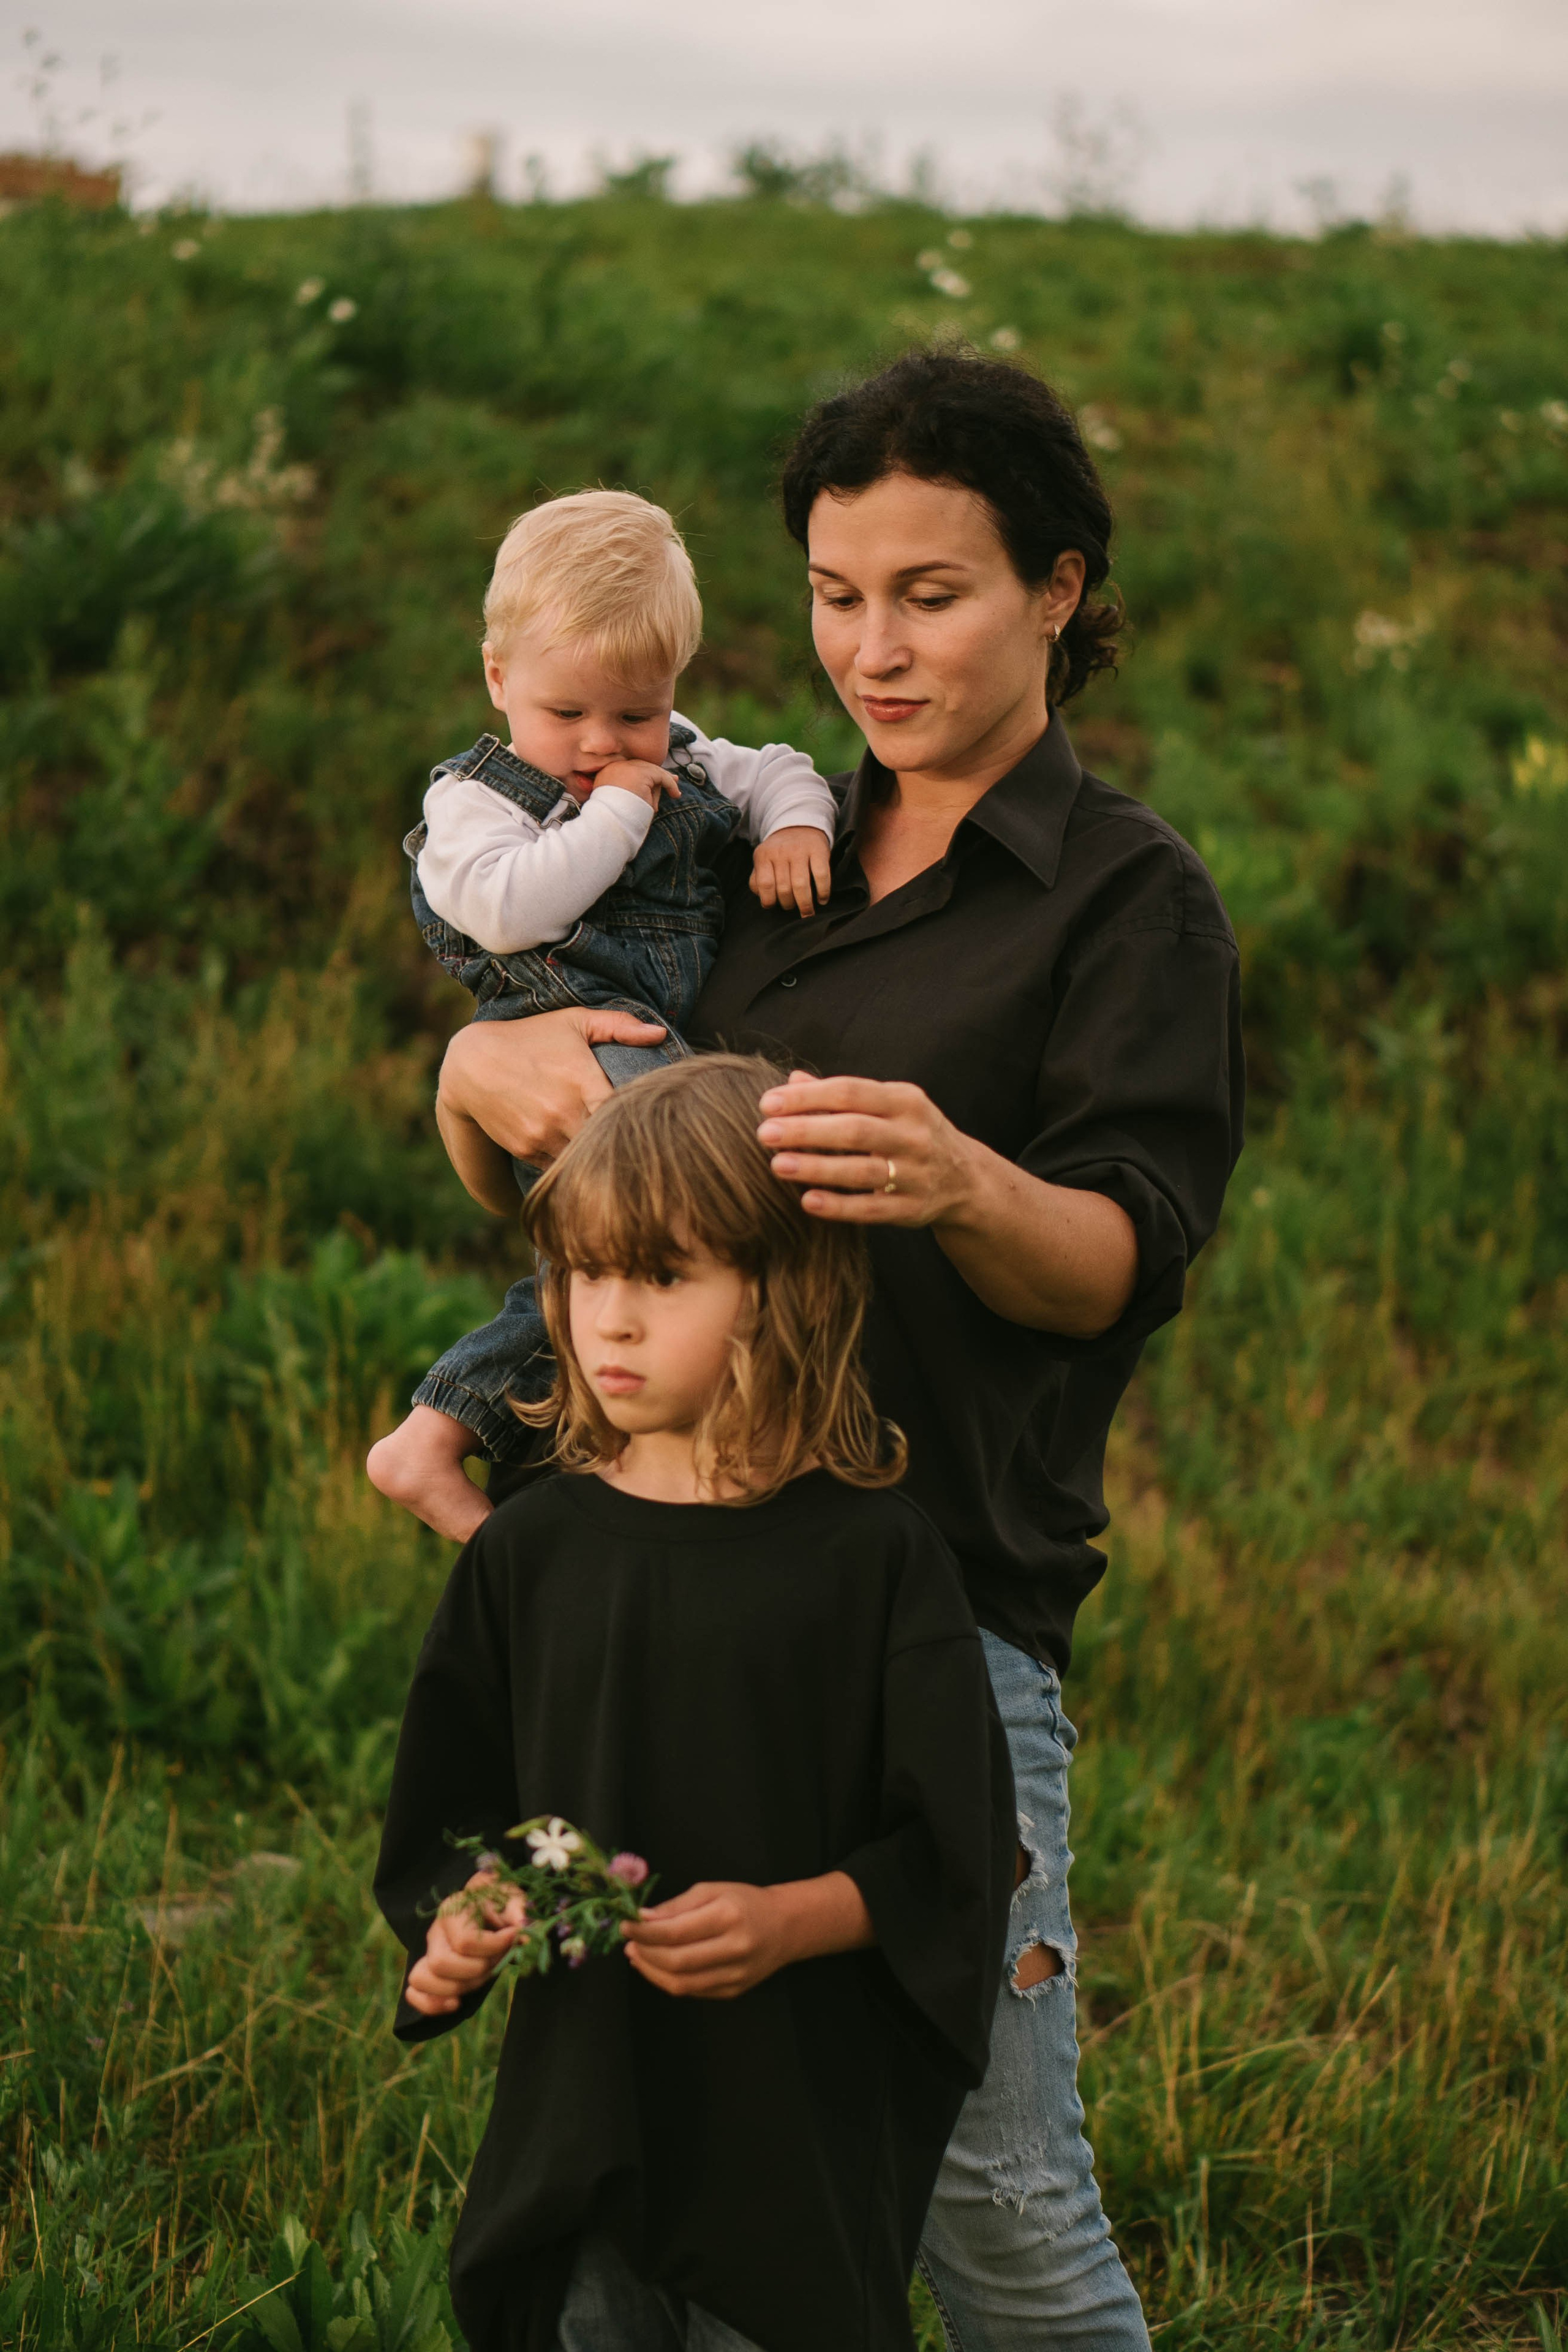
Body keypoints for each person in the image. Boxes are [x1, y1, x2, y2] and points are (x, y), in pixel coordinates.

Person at [426, 352, 1246, 2348]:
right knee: (651, 2200)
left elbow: (1120, 1259)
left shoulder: (1126, 901)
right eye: (834, 592)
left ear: (1057, 589)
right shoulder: (728, 839)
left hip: (937, 1613)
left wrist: (965, 1181)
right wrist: (475, 1073)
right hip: (646, 1596)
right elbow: (590, 1198)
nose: (874, 646)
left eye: (933, 593)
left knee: (993, 2207)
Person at [374, 1054, 1016, 2352]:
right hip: (583, 2110)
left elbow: (957, 1852)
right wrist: (462, 1926)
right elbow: (458, 1814)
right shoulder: (532, 1549)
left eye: (662, 1278)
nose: (606, 1320)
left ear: (786, 1292)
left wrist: (792, 1920)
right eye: (584, 1273)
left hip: (787, 2133)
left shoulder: (874, 1561)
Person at [367, 490, 837, 1541]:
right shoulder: (475, 805)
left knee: (619, 1269)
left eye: (636, 714)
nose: (600, 742)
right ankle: (455, 1437)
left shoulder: (680, 751)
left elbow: (781, 772)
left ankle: (472, 1436)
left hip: (655, 1057)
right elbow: (509, 908)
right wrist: (623, 804)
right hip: (575, 1046)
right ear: (499, 679)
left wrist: (795, 829)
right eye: (566, 714)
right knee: (661, 1247)